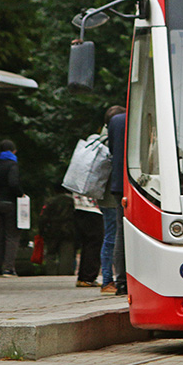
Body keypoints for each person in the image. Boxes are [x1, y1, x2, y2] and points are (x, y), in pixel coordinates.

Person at [0, 139, 22, 277]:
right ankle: (8, 268)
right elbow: (13, 183)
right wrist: (20, 194)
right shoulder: (12, 165)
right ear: (13, 151)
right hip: (9, 203)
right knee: (11, 235)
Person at [99, 106, 125, 294]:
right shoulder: (126, 122)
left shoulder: (112, 128)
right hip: (115, 190)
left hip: (113, 189)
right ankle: (110, 279)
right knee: (114, 235)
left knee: (115, 235)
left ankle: (116, 280)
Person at [109, 107, 128, 295]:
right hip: (140, 183)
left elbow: (111, 150)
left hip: (118, 183)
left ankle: (121, 281)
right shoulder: (136, 117)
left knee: (120, 232)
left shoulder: (115, 121)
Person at [73, 192, 103, 287]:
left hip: (79, 204)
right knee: (94, 242)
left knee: (87, 242)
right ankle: (88, 277)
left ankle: (83, 277)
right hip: (93, 207)